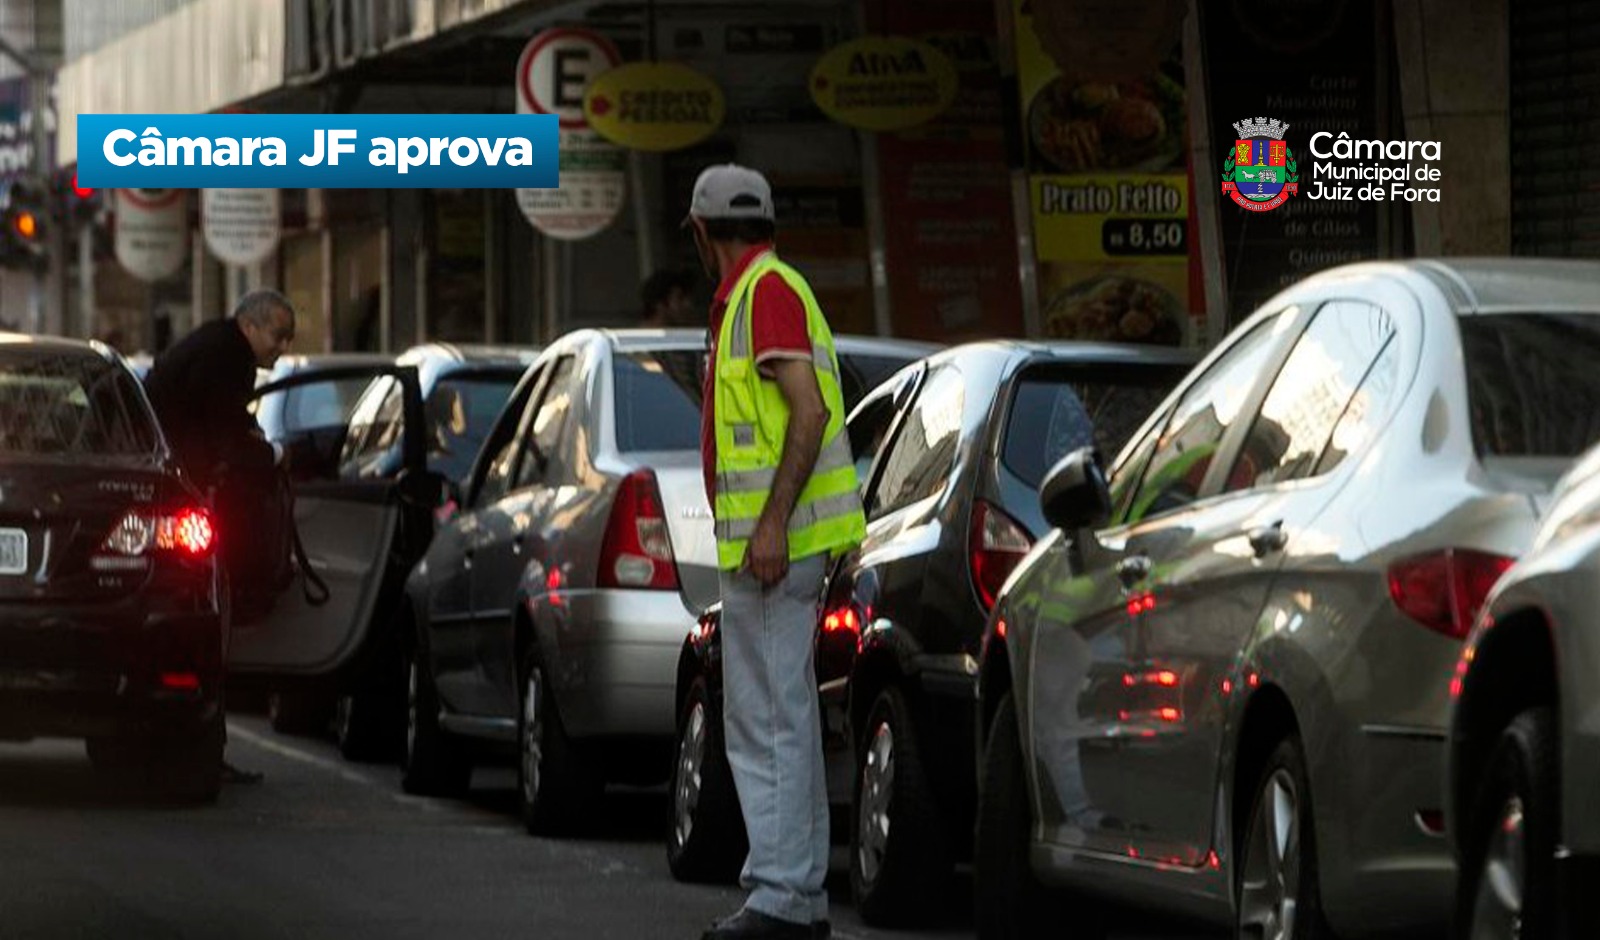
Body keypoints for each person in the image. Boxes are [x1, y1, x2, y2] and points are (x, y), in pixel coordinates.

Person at [688, 164, 866, 940]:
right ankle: (793, 897)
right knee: (774, 717)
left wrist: (770, 524)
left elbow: (810, 406)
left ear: (700, 233)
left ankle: (783, 899)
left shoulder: (765, 294)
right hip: (776, 547)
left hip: (774, 548)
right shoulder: (765, 291)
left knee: (767, 721)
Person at [142, 289, 298, 786]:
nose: (283, 346)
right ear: (250, 326)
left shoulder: (218, 349)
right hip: (187, 500)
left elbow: (226, 423)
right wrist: (271, 457)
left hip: (175, 492)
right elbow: (223, 434)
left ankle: (202, 744)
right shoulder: (226, 358)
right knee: (210, 625)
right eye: (278, 334)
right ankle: (205, 746)